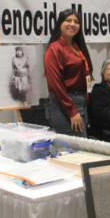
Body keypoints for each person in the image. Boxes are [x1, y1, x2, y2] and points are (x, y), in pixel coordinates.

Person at [44, 8, 93, 138]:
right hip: (65, 104)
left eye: (76, 21)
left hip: (80, 101)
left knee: (80, 147)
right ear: (60, 24)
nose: (72, 24)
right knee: (79, 150)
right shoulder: (55, 48)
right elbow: (55, 84)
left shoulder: (77, 47)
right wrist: (71, 111)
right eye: (68, 20)